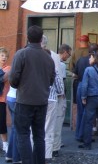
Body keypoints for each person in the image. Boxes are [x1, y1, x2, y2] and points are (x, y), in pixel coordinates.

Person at [9, 25, 56, 164]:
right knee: (39, 136)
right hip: (41, 101)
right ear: (41, 39)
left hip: (24, 100)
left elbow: (13, 79)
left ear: (27, 38)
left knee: (23, 135)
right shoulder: (49, 58)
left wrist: (21, 86)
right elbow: (51, 79)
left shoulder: (21, 54)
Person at [78, 51, 98, 150]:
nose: (89, 59)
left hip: (91, 98)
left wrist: (83, 97)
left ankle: (87, 144)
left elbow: (84, 85)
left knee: (88, 121)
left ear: (95, 59)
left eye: (90, 57)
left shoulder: (88, 70)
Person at [73, 43, 98, 142]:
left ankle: (78, 134)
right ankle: (83, 135)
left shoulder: (80, 60)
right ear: (97, 51)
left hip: (80, 86)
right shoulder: (96, 62)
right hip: (90, 88)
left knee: (80, 112)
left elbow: (74, 74)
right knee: (87, 113)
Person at [52, 44, 72, 157]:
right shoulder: (61, 65)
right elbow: (61, 82)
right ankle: (55, 147)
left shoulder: (50, 59)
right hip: (59, 97)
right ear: (64, 52)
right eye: (68, 54)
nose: (68, 57)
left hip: (49, 97)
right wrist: (63, 95)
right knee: (58, 121)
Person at [70, 35, 90, 104]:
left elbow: (71, 66)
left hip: (78, 80)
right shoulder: (90, 51)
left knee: (77, 103)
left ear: (80, 41)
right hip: (89, 80)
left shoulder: (75, 51)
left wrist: (75, 74)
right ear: (88, 42)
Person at [6, 86, 21, 163]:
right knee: (17, 129)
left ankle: (10, 155)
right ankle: (16, 157)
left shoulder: (13, 73)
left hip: (10, 97)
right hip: (17, 98)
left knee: (14, 128)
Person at [0, 47, 11, 153]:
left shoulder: (8, 68)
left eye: (6, 56)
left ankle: (5, 144)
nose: (4, 58)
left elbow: (3, 78)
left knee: (2, 122)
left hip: (2, 99)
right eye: (2, 55)